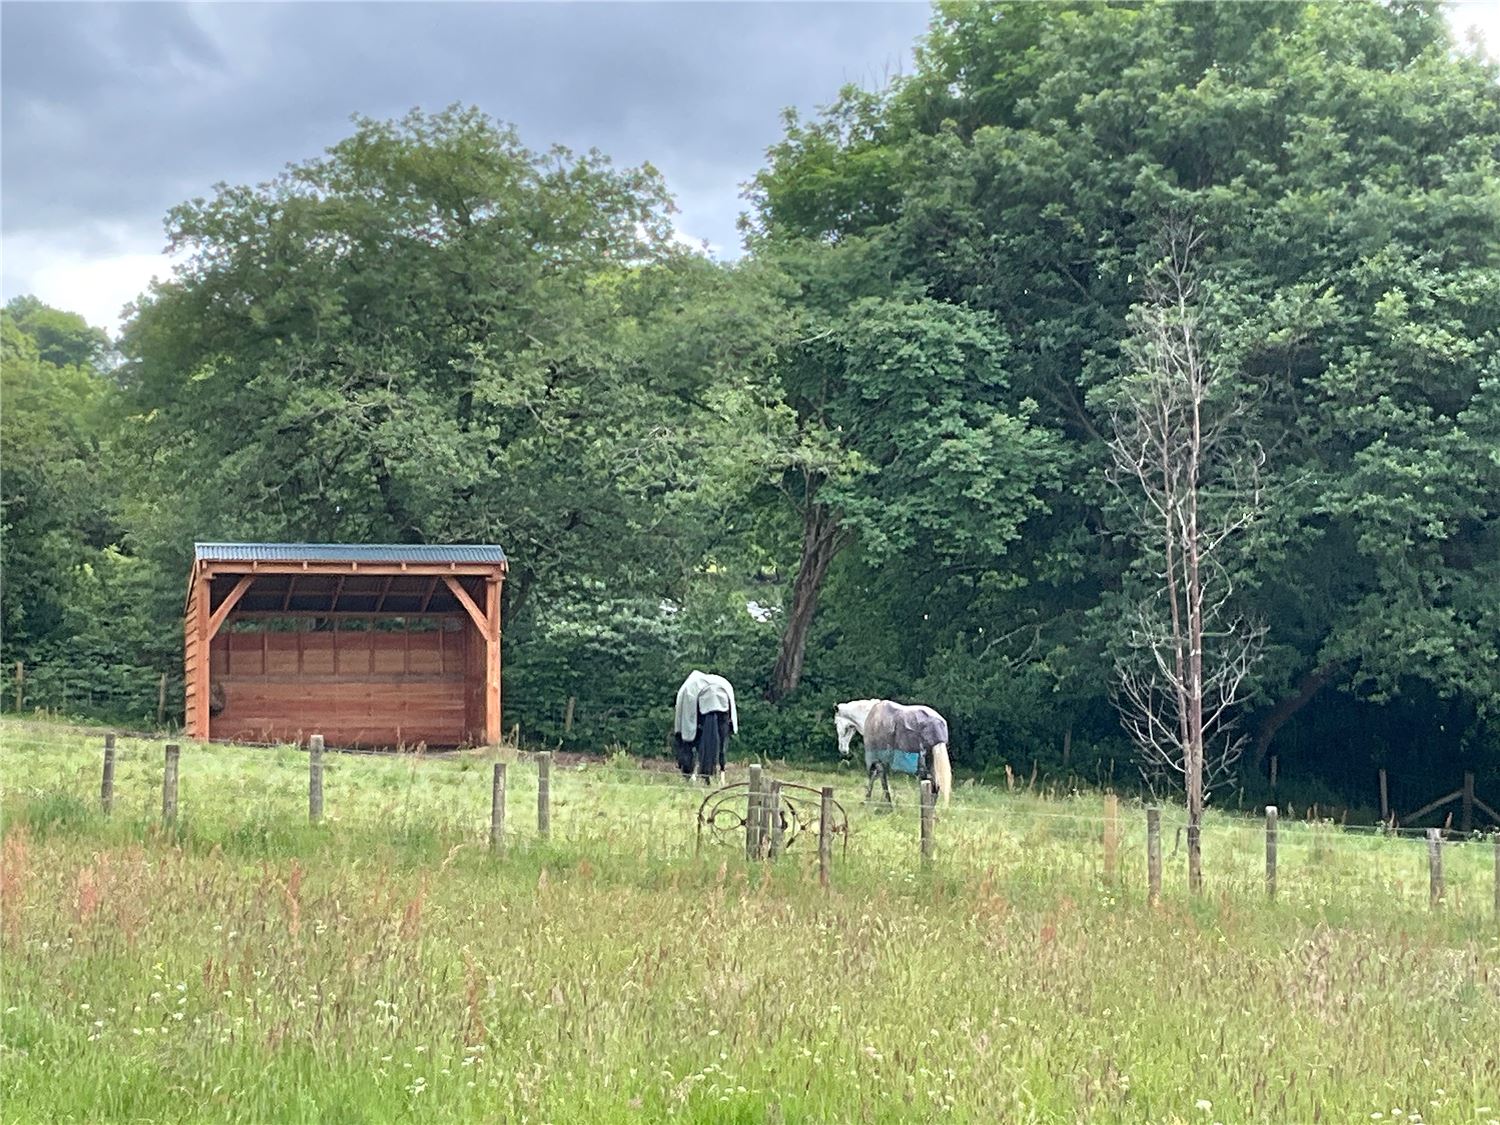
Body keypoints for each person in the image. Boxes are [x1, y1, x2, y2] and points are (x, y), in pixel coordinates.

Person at [673, 670, 738, 783]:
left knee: (690, 742)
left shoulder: (689, 686)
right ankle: (721, 774)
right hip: (722, 701)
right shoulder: (723, 683)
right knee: (721, 743)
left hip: (696, 705)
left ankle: (690, 774)